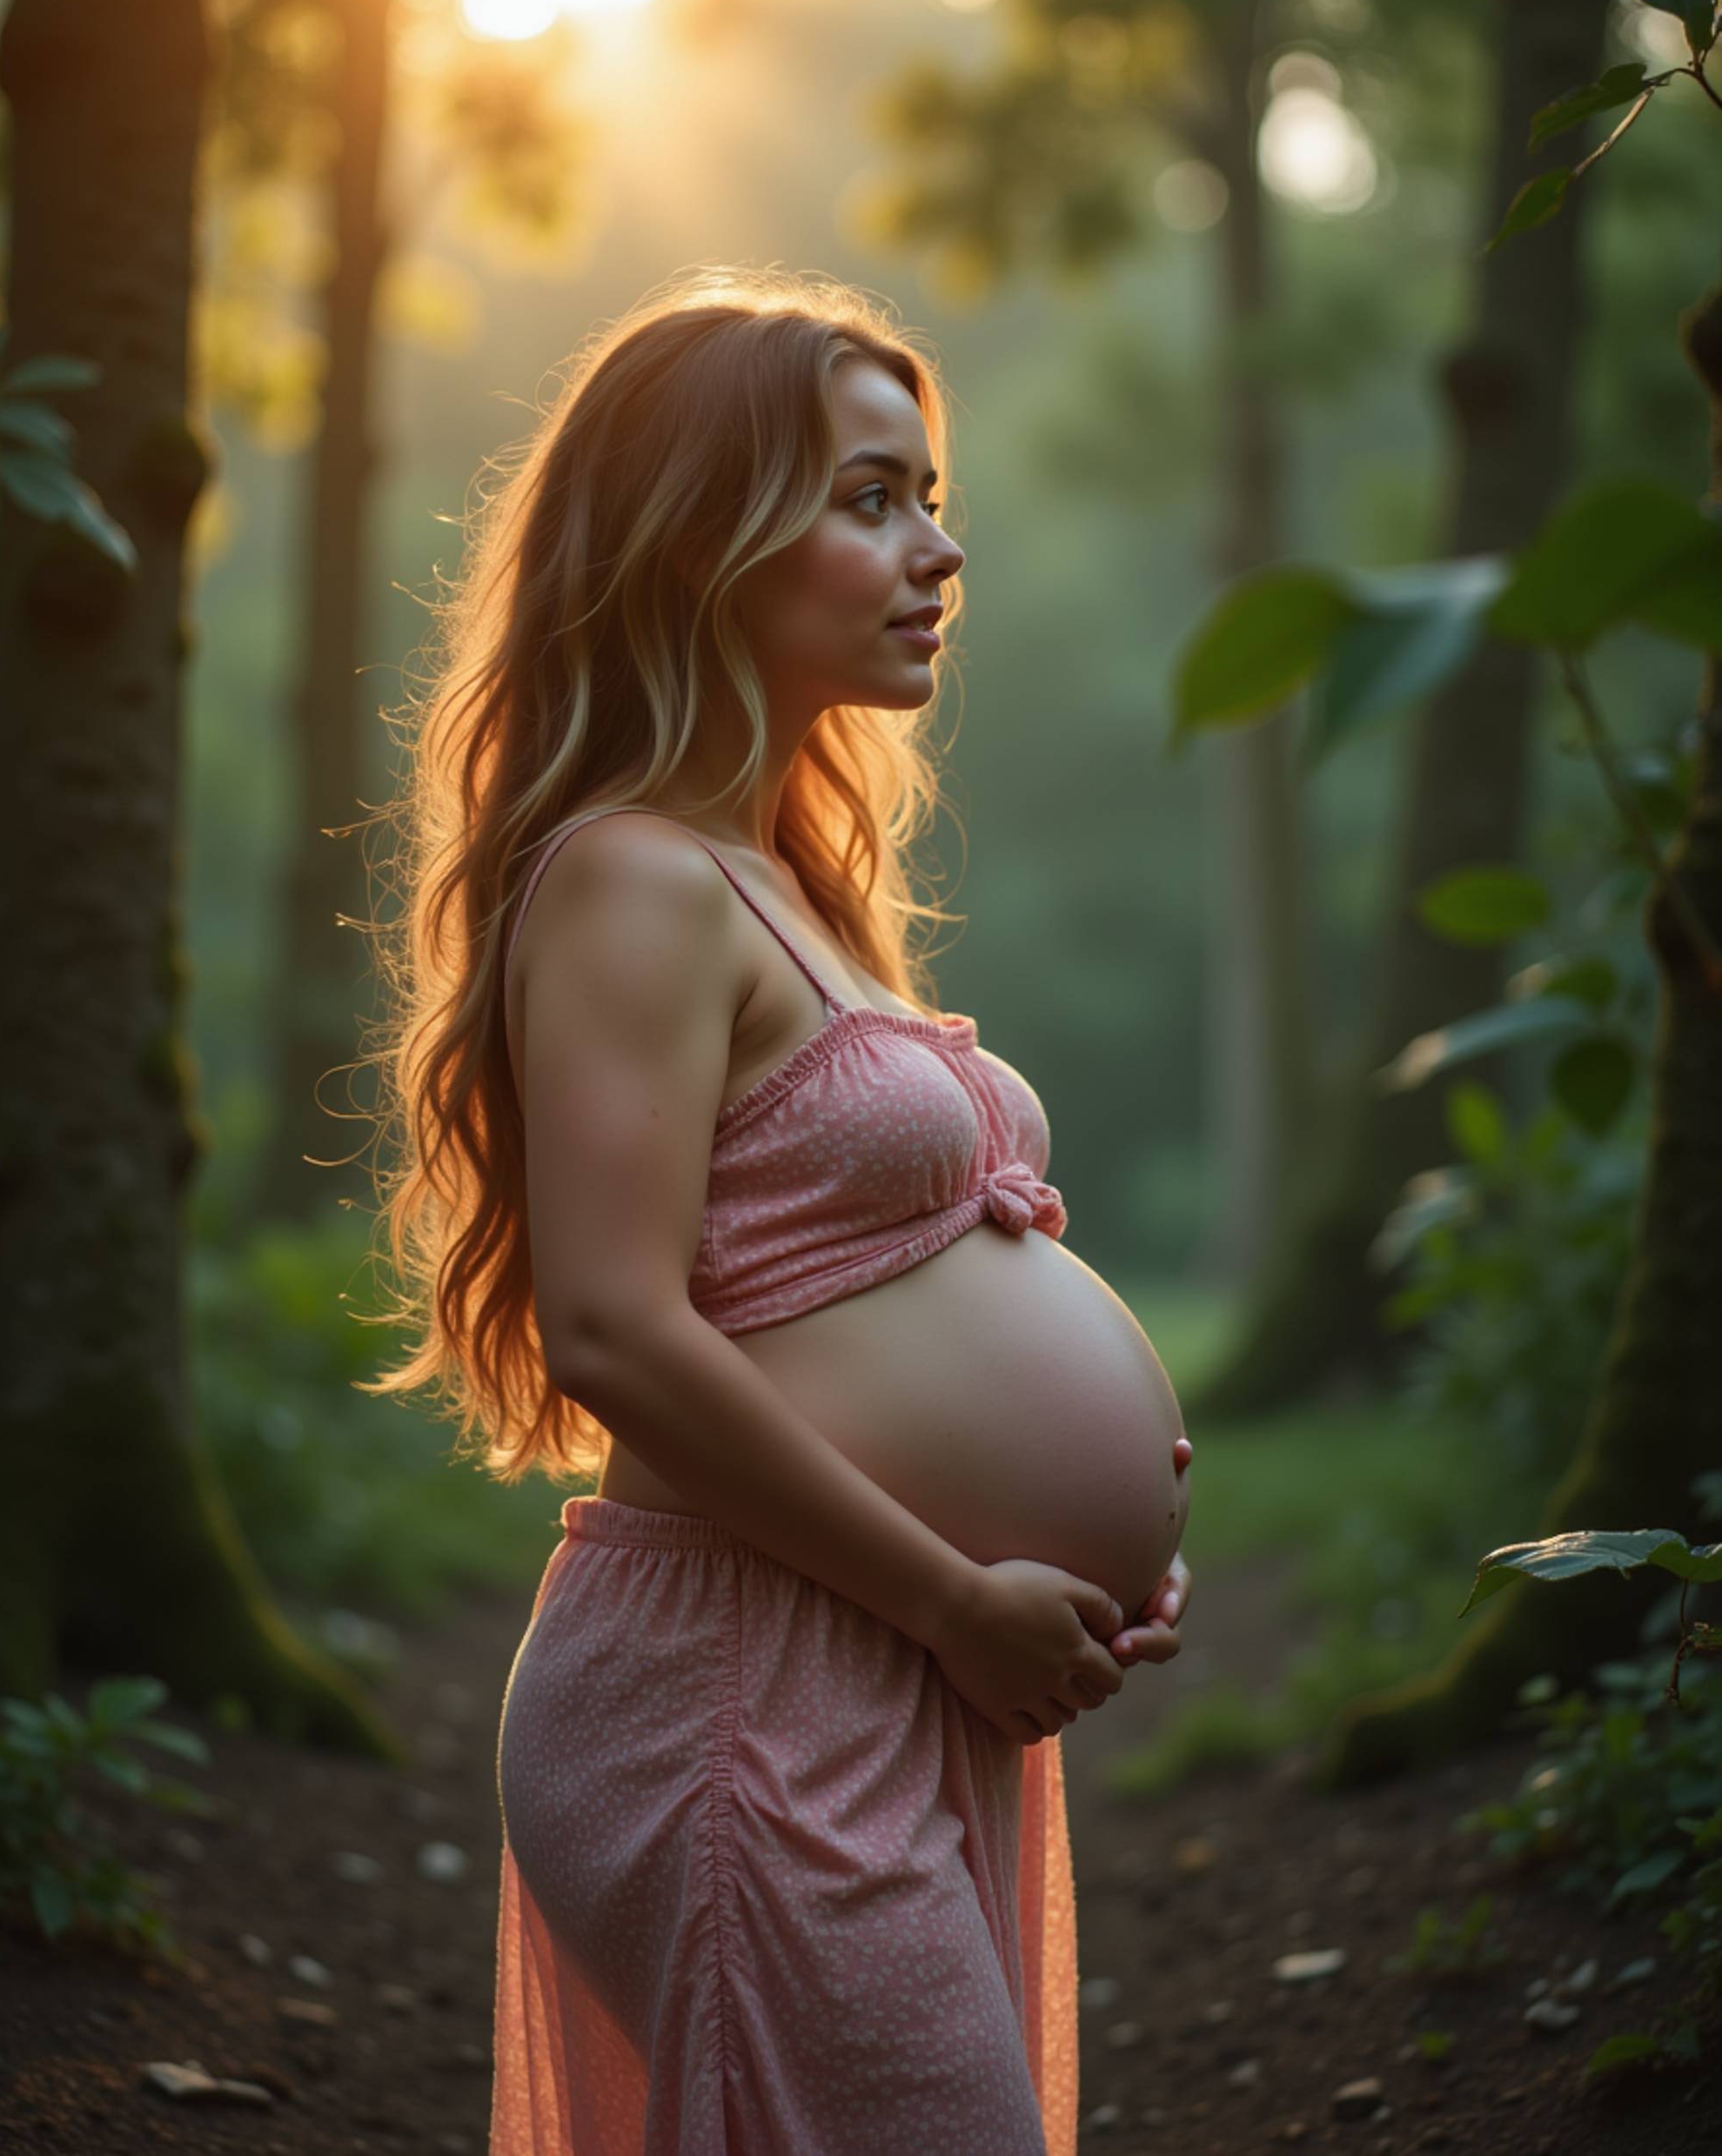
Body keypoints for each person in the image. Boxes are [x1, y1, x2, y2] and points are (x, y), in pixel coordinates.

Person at [361, 264, 1192, 2153]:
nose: (939, 550)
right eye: (870, 500)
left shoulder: (775, 880)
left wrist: (1065, 1555)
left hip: (877, 1659)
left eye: (929, 498)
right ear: (697, 539)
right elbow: (613, 1326)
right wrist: (958, 1588)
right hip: (744, 1685)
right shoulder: (633, 883)